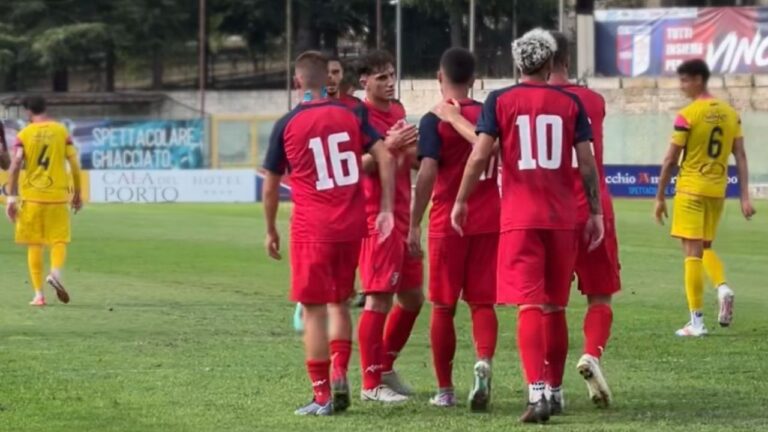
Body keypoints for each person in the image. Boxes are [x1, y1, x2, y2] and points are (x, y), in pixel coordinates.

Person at [451, 29, 604, 423]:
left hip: (520, 218)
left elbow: (479, 156)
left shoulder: (500, 100)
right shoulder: (571, 103)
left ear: (518, 63)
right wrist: (596, 212)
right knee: (555, 307)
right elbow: (586, 163)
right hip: (562, 217)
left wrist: (462, 200)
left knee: (528, 305)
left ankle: (536, 391)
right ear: (551, 63)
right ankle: (554, 391)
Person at [262, 50, 396, 416]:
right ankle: (340, 372)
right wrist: (385, 207)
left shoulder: (287, 123)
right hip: (351, 226)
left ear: (297, 82)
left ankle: (322, 393)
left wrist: (271, 228)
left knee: (314, 311)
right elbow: (384, 155)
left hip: (311, 228)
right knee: (340, 303)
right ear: (329, 80)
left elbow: (272, 185)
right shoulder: (351, 115)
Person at [409, 47, 499, 410]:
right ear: (475, 79)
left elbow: (428, 171)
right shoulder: (491, 114)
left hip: (449, 221)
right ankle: (485, 364)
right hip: (491, 219)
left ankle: (445, 389)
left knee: (443, 307)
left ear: (439, 77)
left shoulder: (435, 119)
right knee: (482, 303)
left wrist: (414, 222)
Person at [654, 58, 756, 337]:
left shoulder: (688, 114)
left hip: (690, 189)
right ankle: (722, 287)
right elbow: (741, 156)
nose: (682, 86)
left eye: (685, 80)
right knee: (705, 247)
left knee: (691, 255)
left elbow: (670, 158)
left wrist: (660, 195)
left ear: (699, 79)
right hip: (716, 191)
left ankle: (696, 323)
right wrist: (744, 197)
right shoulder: (730, 114)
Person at [545, 30, 619, 410]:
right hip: (594, 205)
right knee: (600, 295)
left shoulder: (533, 102)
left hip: (553, 210)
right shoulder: (594, 99)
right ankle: (591, 353)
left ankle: (552, 388)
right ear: (568, 60)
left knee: (551, 304)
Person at [356, 49, 423, 402]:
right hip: (375, 217)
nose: (389, 83)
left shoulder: (396, 111)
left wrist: (415, 152)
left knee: (413, 297)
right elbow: (355, 167)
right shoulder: (356, 115)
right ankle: (370, 386)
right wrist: (388, 145)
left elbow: (406, 159)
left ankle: (385, 365)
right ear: (364, 81)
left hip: (402, 213)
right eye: (381, 77)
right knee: (378, 299)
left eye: (392, 75)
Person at [6, 96, 83, 306]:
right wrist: (77, 192)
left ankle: (39, 295)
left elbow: (15, 165)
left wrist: (11, 198)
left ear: (27, 111)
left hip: (31, 197)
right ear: (45, 108)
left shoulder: (24, 134)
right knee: (59, 240)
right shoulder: (61, 131)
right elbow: (74, 164)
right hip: (57, 197)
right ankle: (55, 274)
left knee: (35, 245)